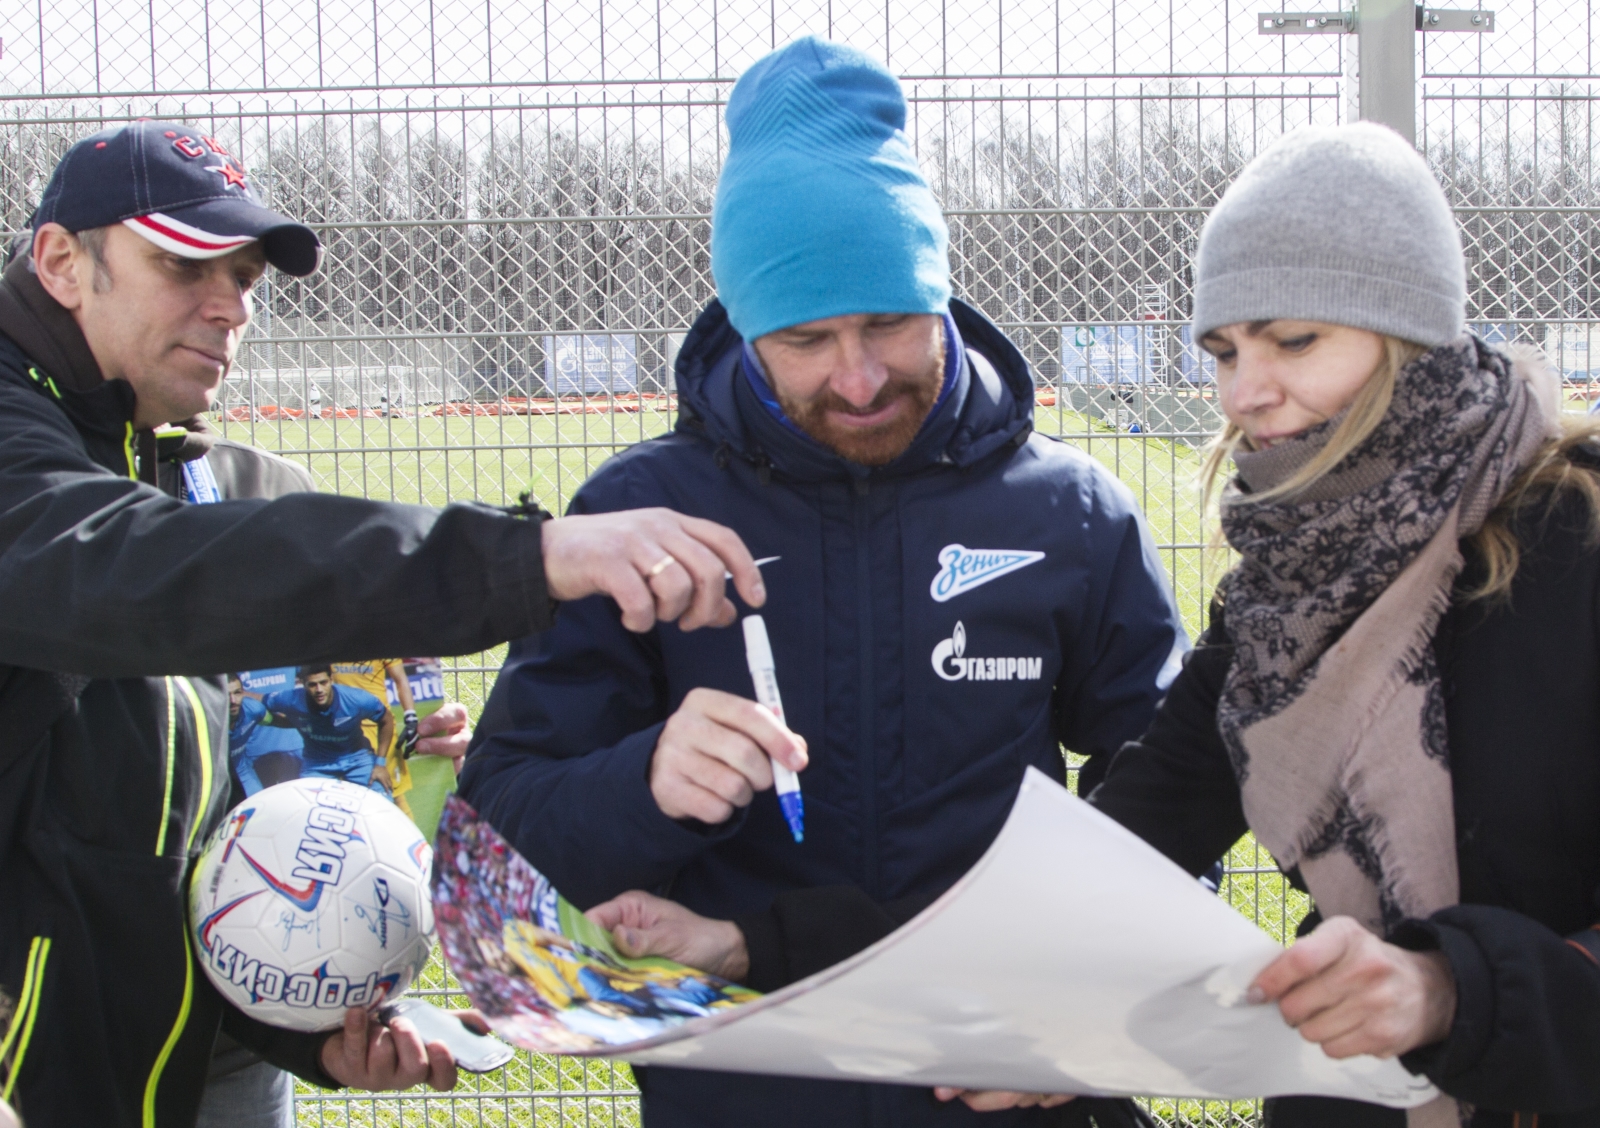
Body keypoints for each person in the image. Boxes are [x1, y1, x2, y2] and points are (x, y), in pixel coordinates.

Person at [612, 122, 1600, 1125]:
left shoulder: (1577, 543)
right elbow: (1102, 867)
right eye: (1222, 350)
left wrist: (1451, 991)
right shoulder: (1288, 593)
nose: (1245, 394)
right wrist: (757, 950)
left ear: (1411, 332)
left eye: (1294, 339)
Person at [457, 38, 1186, 1128]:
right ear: (747, 331)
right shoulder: (637, 516)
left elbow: (1175, 798)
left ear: (938, 292)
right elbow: (505, 831)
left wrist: (1093, 1013)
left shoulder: (1067, 510)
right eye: (806, 338)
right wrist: (644, 779)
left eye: (890, 322)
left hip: (1005, 1084)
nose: (856, 376)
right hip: (747, 1091)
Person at [0, 119, 768, 1128]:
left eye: (243, 277)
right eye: (185, 266)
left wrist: (299, 1029)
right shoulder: (46, 461)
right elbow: (142, 577)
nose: (229, 307)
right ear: (62, 261)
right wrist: (526, 558)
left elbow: (156, 830)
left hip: (180, 1066)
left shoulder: (155, 451)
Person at [261, 664, 393, 792]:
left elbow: (386, 719)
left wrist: (380, 764)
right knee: (308, 808)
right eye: (312, 685)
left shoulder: (356, 699)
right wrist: (269, 719)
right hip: (317, 764)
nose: (319, 689)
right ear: (303, 683)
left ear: (331, 679)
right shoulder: (291, 699)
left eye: (323, 682)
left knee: (382, 801)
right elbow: (258, 700)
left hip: (358, 758)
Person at [227, 672, 306, 792]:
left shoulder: (253, 709)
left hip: (241, 769)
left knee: (257, 805)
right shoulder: (206, 719)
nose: (233, 700)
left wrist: (311, 723)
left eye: (237, 693)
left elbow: (277, 721)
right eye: (227, 695)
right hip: (212, 773)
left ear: (243, 692)